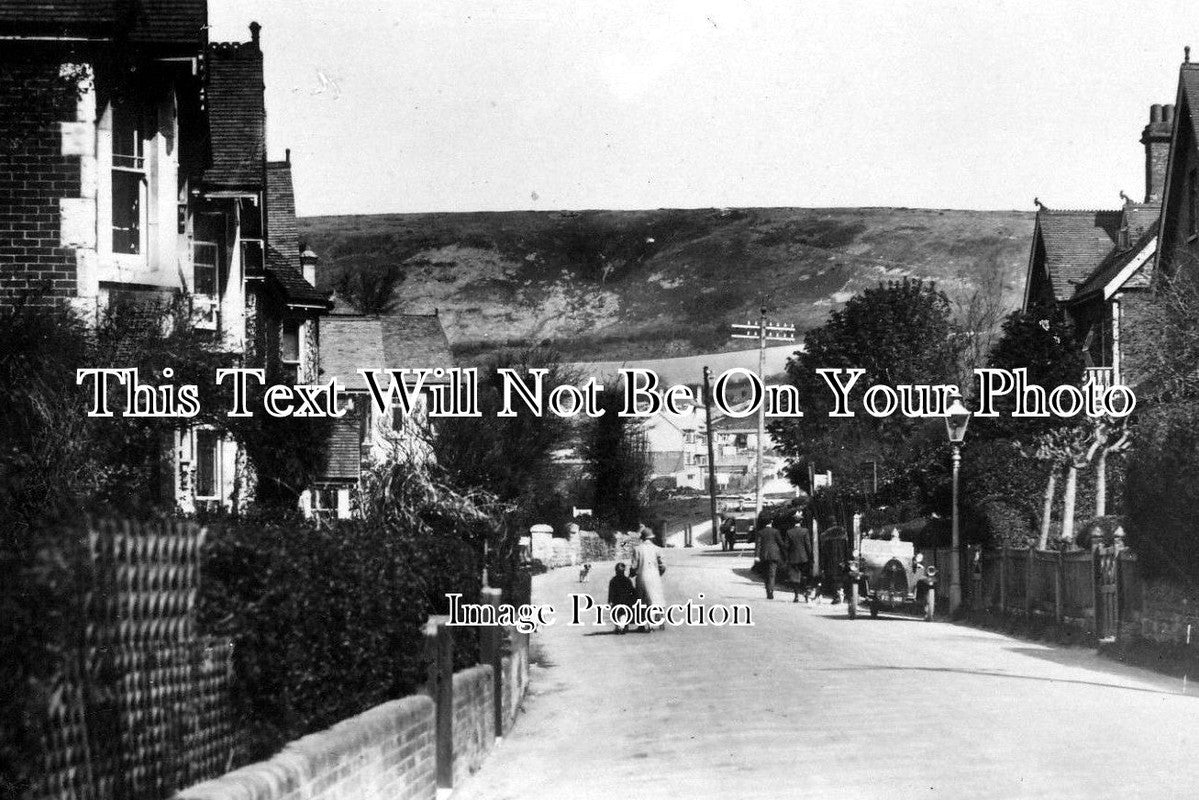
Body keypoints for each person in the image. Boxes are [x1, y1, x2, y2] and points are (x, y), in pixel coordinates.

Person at [629, 525, 666, 630]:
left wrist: (631, 574)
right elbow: (662, 566)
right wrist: (658, 574)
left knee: (641, 600)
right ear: (651, 538)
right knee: (656, 598)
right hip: (654, 577)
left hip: (642, 578)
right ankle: (660, 621)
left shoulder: (637, 549)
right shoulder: (657, 549)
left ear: (642, 538)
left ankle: (642, 624)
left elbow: (634, 566)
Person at [783, 519, 813, 603]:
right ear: (801, 522)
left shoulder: (789, 532)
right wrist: (810, 556)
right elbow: (808, 545)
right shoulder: (805, 531)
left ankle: (796, 596)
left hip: (793, 558)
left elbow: (786, 546)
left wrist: (787, 556)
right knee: (804, 576)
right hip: (804, 558)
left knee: (795, 577)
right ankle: (806, 595)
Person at [754, 519, 785, 599]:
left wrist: (757, 556)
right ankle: (771, 591)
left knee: (765, 574)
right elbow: (781, 543)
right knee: (772, 574)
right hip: (774, 555)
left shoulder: (761, 532)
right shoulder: (776, 531)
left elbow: (758, 545)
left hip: (764, 556)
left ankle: (768, 591)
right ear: (771, 522)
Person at [607, 562, 638, 634]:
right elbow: (632, 591)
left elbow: (611, 592)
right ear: (624, 571)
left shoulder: (613, 580)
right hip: (626, 602)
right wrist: (634, 599)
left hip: (617, 602)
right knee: (623, 615)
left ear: (616, 571)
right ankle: (622, 627)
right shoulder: (627, 580)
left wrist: (610, 601)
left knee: (618, 615)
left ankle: (620, 627)